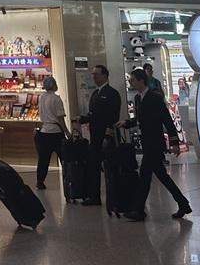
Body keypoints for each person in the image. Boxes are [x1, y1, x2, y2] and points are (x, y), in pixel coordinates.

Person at [118, 68, 191, 222]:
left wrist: (174, 142)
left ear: (141, 81)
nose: (131, 83)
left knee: (145, 176)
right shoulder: (138, 98)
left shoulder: (154, 97)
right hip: (148, 142)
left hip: (155, 144)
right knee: (161, 176)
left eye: (133, 80)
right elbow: (140, 119)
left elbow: (167, 119)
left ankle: (139, 210)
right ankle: (183, 203)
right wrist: (127, 123)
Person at [78, 64, 121, 206]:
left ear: (104, 76)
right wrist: (83, 119)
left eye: (96, 74)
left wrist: (108, 131)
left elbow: (113, 115)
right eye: (93, 74)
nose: (94, 77)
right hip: (95, 135)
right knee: (93, 165)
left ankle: (114, 198)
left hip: (106, 136)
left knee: (110, 168)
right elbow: (93, 115)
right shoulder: (95, 94)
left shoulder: (112, 93)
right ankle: (94, 196)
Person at [34, 75, 68, 191]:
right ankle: (68, 179)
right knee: (64, 158)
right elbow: (60, 118)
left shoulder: (42, 97)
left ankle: (40, 181)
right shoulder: (56, 99)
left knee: (43, 159)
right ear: (53, 85)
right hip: (56, 132)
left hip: (44, 131)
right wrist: (66, 131)